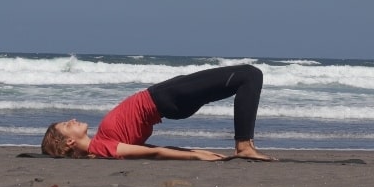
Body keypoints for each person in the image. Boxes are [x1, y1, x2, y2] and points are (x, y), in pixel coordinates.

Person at [41, 64, 275, 161]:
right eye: (66, 124)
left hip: (169, 100)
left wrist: (202, 153)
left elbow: (149, 150)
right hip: (166, 97)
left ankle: (244, 146)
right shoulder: (101, 147)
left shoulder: (103, 145)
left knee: (244, 78)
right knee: (250, 75)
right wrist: (195, 157)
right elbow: (156, 154)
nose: (72, 120)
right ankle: (244, 145)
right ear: (70, 141)